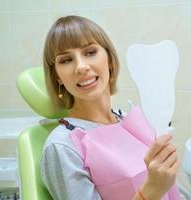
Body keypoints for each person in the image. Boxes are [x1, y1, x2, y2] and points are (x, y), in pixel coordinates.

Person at [41, 15, 182, 200]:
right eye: (66, 60)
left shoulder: (126, 119)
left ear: (109, 60)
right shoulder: (62, 146)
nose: (81, 67)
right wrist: (151, 191)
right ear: (58, 76)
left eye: (90, 52)